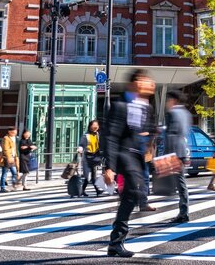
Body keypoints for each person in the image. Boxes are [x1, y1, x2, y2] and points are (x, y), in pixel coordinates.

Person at [101, 69, 156, 258]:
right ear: (136, 82)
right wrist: (109, 167)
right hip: (123, 154)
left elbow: (149, 130)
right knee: (133, 191)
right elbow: (111, 137)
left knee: (135, 194)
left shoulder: (147, 106)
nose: (151, 84)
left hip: (137, 156)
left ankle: (115, 243)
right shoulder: (120, 106)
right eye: (147, 80)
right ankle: (117, 239)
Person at [164, 90, 191, 223]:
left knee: (179, 184)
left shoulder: (172, 113)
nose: (167, 103)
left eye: (168, 100)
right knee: (180, 183)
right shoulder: (186, 113)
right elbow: (185, 134)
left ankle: (183, 213)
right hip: (182, 151)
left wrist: (166, 154)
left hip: (174, 153)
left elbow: (171, 134)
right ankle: (183, 211)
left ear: (173, 100)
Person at [78, 121, 103, 197]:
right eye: (94, 125)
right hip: (87, 157)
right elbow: (81, 144)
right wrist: (80, 148)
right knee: (86, 176)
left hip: (95, 157)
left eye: (97, 125)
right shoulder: (86, 136)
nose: (96, 127)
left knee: (93, 176)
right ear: (90, 126)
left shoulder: (98, 135)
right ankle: (84, 191)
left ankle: (96, 191)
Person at [0, 127, 19, 193]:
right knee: (4, 173)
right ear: (9, 131)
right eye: (13, 132)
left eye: (15, 132)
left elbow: (14, 149)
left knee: (14, 173)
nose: (15, 133)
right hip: (7, 158)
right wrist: (9, 157)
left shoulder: (13, 138)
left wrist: (15, 156)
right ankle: (2, 187)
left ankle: (13, 186)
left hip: (12, 158)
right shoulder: (6, 138)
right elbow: (5, 149)